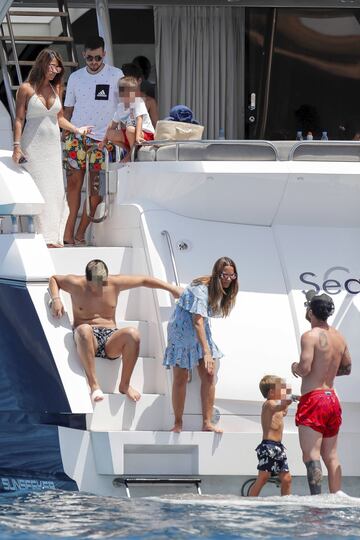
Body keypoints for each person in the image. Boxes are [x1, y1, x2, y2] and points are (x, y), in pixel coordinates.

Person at [49, 259, 182, 403]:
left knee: (133, 333)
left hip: (110, 338)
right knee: (84, 329)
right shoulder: (75, 283)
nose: (100, 286)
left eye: (103, 282)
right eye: (96, 283)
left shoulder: (115, 282)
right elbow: (54, 279)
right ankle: (94, 385)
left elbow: (144, 280)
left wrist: (172, 289)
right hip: (87, 338)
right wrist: (56, 299)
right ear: (87, 279)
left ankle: (124, 385)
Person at [12, 48, 92, 248]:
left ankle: (51, 237)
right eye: (52, 66)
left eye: (58, 67)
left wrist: (77, 129)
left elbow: (59, 118)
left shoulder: (57, 89)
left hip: (52, 149)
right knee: (38, 191)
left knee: (55, 191)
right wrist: (16, 147)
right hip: (32, 147)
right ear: (42, 64)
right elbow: (19, 120)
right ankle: (38, 237)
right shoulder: (26, 88)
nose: (55, 70)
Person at [163, 256, 239, 433]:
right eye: (224, 275)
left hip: (199, 333)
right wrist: (206, 353)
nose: (228, 279)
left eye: (232, 276)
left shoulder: (221, 291)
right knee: (180, 377)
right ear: (217, 274)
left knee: (209, 376)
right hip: (181, 333)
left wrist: (206, 350)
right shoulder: (200, 291)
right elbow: (197, 321)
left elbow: (201, 323)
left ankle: (207, 423)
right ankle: (178, 422)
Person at [63, 36, 123, 246]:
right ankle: (68, 232)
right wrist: (64, 133)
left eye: (98, 57)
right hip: (77, 137)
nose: (94, 62)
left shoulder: (116, 75)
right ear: (83, 56)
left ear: (104, 54)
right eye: (89, 58)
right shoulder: (75, 78)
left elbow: (125, 106)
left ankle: (81, 232)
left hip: (103, 141)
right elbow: (68, 108)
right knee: (73, 185)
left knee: (96, 189)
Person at [291, 290, 352, 495]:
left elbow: (305, 368)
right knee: (332, 456)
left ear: (310, 312)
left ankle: (316, 500)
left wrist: (295, 368)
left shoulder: (310, 336)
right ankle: (337, 495)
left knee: (311, 455)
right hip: (332, 398)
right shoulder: (339, 337)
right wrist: (329, 371)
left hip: (314, 398)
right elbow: (347, 368)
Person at [248, 375, 292, 497]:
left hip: (278, 447)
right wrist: (288, 397)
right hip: (268, 446)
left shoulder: (277, 407)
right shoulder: (268, 404)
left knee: (287, 479)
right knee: (263, 477)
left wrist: (288, 398)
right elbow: (280, 407)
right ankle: (250, 500)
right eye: (281, 389)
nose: (283, 391)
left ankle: (285, 502)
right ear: (272, 392)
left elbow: (283, 411)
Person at [100, 77, 155, 162]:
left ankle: (131, 155)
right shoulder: (120, 107)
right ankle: (130, 151)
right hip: (131, 135)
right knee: (110, 134)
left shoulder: (138, 102)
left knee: (130, 129)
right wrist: (104, 140)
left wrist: (137, 137)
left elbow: (139, 119)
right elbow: (112, 125)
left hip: (145, 134)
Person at [121, 62, 159, 127]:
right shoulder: (118, 101)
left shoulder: (149, 101)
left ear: (139, 81)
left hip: (143, 135)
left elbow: (156, 126)